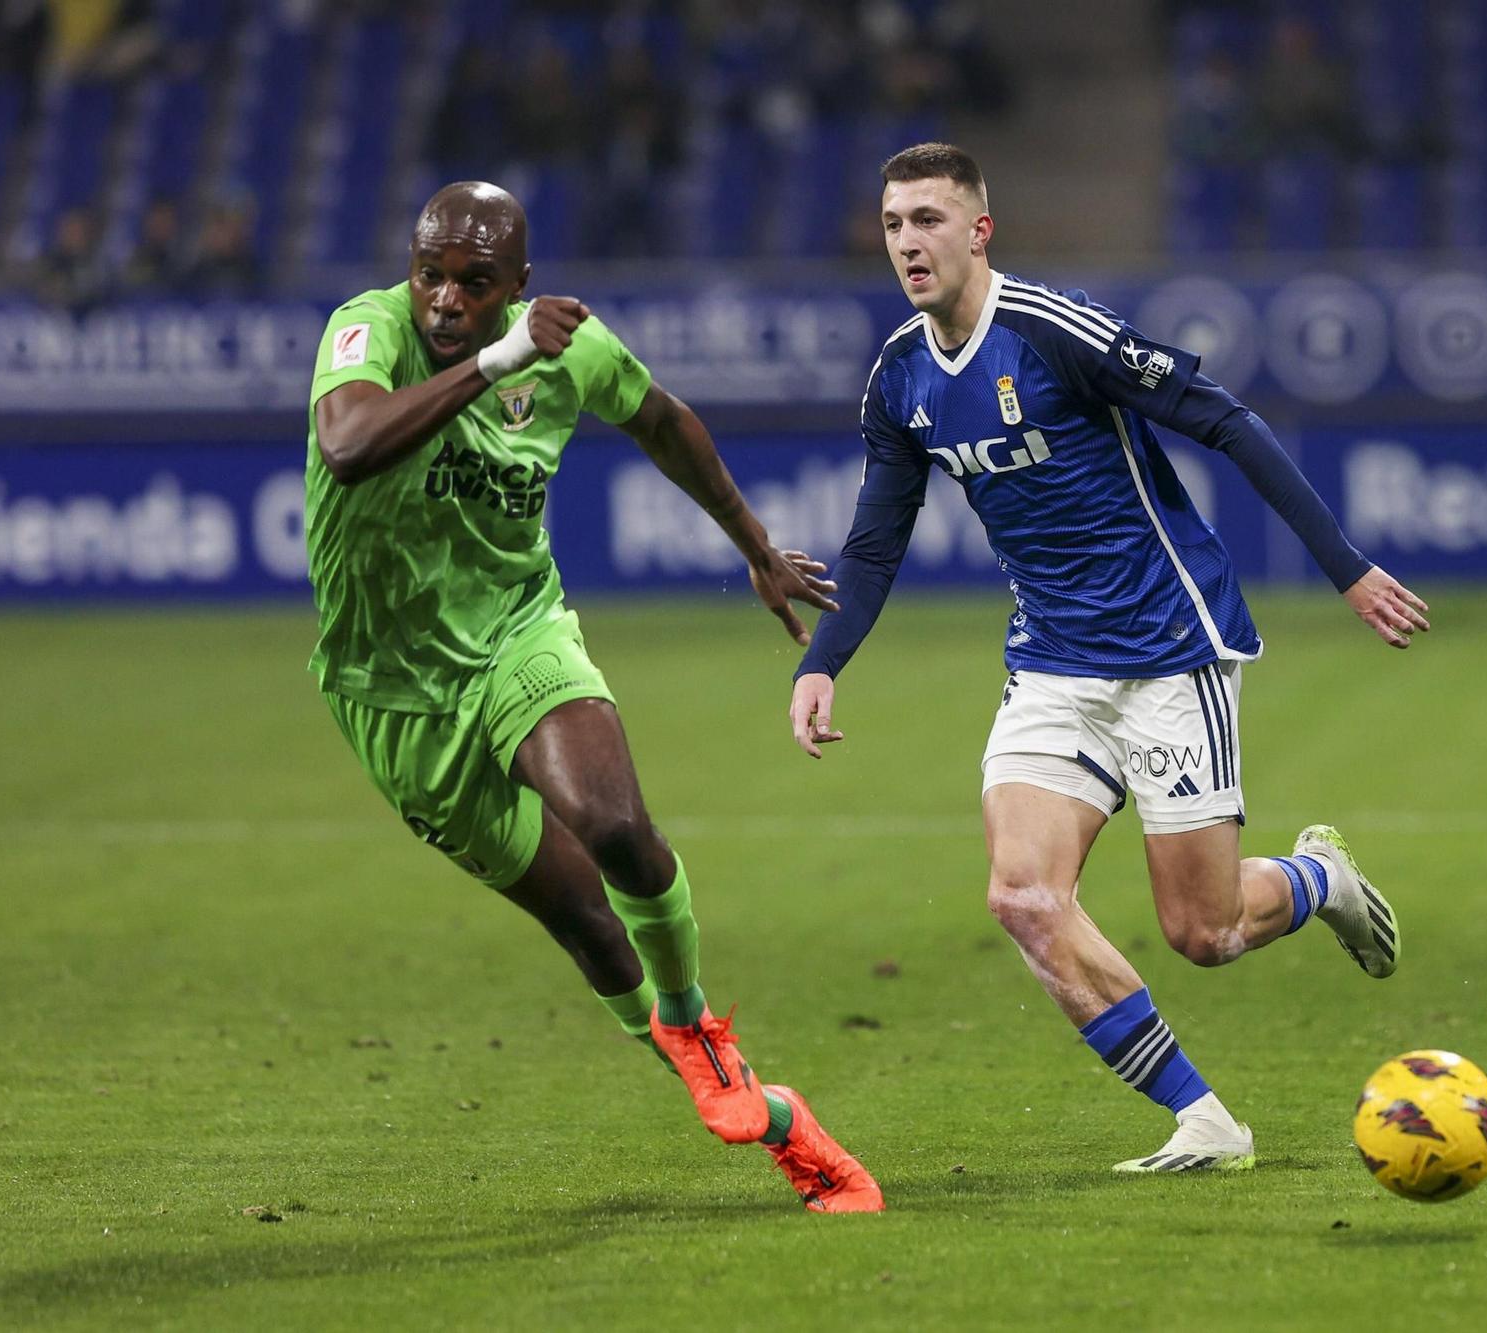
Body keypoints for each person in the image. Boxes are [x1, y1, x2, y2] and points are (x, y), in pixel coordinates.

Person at [788, 143, 1428, 1173]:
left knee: (1203, 931)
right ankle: (1203, 1121)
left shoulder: (1053, 331)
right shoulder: (899, 376)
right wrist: (822, 662)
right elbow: (874, 537)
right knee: (1020, 895)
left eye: (928, 220)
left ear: (977, 230)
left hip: (1169, 648)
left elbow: (1224, 419)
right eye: (894, 221)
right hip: (1050, 663)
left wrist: (1344, 568)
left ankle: (1319, 879)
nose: (907, 241)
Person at [307, 180, 882, 1212]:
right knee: (587, 924)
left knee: (614, 822)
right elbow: (348, 448)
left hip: (518, 630)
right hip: (392, 695)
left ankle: (697, 1026)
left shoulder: (566, 345)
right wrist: (500, 356)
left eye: (474, 285)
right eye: (430, 274)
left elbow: (662, 419)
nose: (444, 299)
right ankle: (780, 1122)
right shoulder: (366, 330)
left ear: (518, 285)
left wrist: (754, 546)